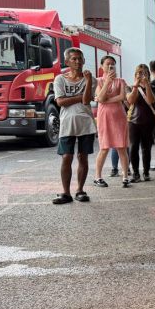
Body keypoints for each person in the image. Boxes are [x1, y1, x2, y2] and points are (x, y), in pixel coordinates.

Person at [52, 48, 97, 204]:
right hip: (67, 122)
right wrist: (80, 96)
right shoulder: (59, 79)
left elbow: (86, 101)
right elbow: (60, 102)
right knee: (67, 157)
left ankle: (80, 190)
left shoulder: (91, 79)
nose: (77, 62)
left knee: (82, 156)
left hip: (86, 122)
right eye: (73, 59)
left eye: (80, 59)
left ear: (83, 60)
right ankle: (66, 192)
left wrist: (89, 81)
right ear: (67, 61)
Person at [94, 55, 131, 187]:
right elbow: (100, 96)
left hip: (119, 116)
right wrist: (108, 82)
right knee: (104, 147)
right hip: (104, 116)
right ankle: (98, 176)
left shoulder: (121, 81)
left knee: (122, 147)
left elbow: (122, 96)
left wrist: (105, 100)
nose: (110, 66)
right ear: (101, 66)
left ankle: (125, 176)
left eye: (112, 64)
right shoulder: (98, 81)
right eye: (107, 64)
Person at [126, 64, 155, 183]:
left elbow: (150, 100)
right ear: (135, 75)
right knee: (133, 147)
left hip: (148, 121)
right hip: (133, 121)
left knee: (146, 148)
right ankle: (135, 173)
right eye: (139, 73)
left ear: (148, 75)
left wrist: (147, 85)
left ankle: (146, 172)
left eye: (144, 73)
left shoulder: (153, 88)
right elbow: (130, 100)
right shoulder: (129, 87)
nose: (141, 75)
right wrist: (136, 86)